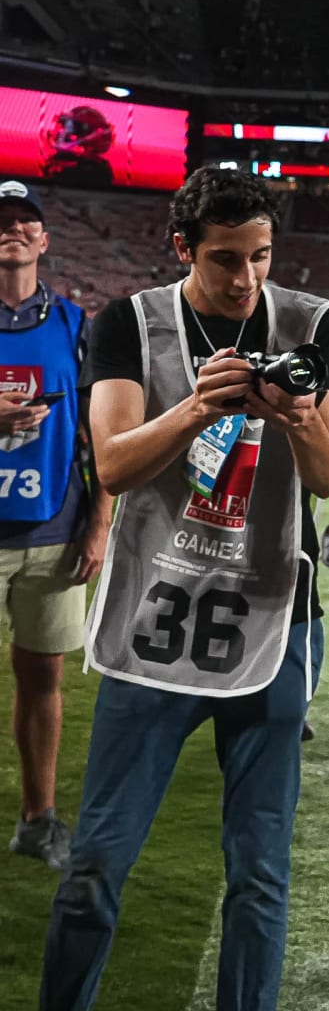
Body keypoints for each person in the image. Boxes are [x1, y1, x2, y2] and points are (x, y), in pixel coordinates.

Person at [40, 165, 329, 1011]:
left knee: (259, 873)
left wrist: (291, 415)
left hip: (275, 616)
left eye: (260, 255)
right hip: (155, 611)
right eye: (225, 259)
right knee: (97, 862)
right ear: (183, 248)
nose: (247, 278)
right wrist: (196, 408)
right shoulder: (130, 322)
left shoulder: (314, 322)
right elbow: (112, 463)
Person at [0, 178, 112, 871]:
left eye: (24, 222)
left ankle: (37, 821)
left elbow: (104, 435)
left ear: (44, 239)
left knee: (44, 680)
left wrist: (99, 520)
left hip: (52, 537)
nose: (12, 229)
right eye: (1, 221)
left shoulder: (75, 325)